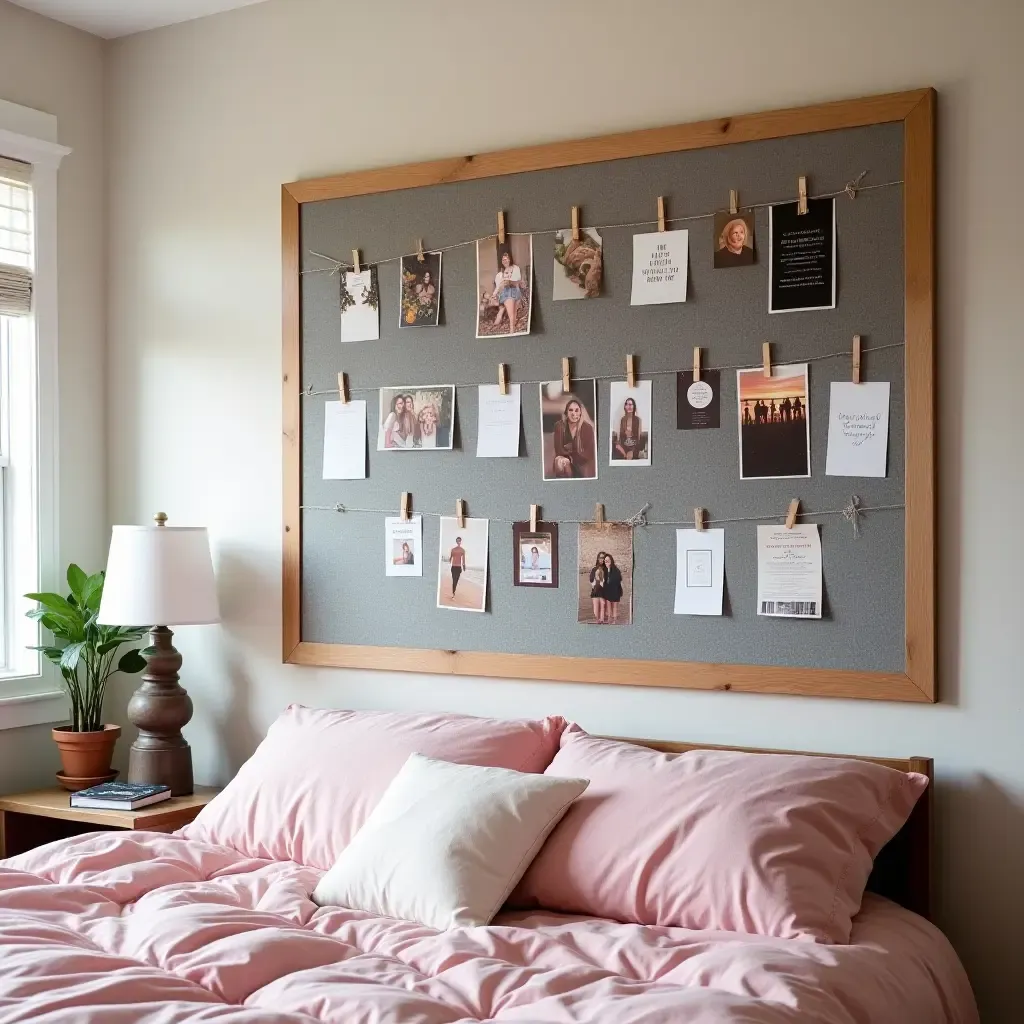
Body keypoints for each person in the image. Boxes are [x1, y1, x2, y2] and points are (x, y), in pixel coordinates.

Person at [551, 398, 596, 478]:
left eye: (576, 410)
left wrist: (572, 457)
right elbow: (558, 449)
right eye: (570, 410)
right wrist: (569, 457)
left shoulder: (587, 428)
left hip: (581, 462)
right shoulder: (559, 426)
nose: (573, 413)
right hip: (565, 459)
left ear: (580, 413)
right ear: (566, 412)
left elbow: (589, 452)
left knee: (562, 461)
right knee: (559, 461)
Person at [491, 247, 523, 333]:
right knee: (511, 314)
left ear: (510, 259)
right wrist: (494, 295)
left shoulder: (515, 268)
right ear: (501, 261)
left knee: (514, 314)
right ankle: (512, 329)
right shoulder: (499, 275)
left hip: (516, 291)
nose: (505, 261)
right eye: (503, 260)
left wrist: (509, 281)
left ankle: (512, 326)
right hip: (506, 293)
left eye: (507, 259)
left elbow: (518, 282)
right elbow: (498, 287)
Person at [612, 396, 644, 461]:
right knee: (616, 445)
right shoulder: (623, 419)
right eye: (626, 404)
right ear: (625, 407)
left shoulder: (638, 420)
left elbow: (638, 438)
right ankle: (625, 454)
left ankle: (627, 455)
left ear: (634, 406)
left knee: (631, 454)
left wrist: (632, 434)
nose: (628, 406)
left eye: (630, 404)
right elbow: (621, 436)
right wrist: (624, 434)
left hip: (634, 445)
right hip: (624, 444)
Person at [603, 553, 624, 624]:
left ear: (611, 561)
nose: (606, 562)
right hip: (607, 592)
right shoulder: (604, 570)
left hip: (615, 591)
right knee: (609, 611)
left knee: (614, 609)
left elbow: (619, 580)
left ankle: (614, 622)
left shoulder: (616, 570)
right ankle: (609, 622)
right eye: (605, 561)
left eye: (608, 561)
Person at [589, 551, 607, 623]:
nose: (601, 559)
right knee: (596, 609)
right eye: (600, 558)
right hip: (596, 591)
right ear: (598, 558)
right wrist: (597, 579)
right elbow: (591, 580)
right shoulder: (594, 569)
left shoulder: (607, 569)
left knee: (603, 606)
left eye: (603, 558)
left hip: (604, 591)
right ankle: (597, 622)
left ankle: (602, 621)